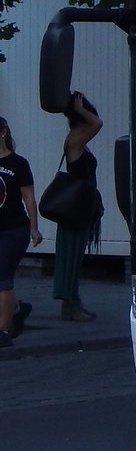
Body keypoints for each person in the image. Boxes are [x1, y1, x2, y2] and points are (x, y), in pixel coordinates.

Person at [55, 91, 102, 321]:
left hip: (77, 207)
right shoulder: (76, 140)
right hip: (76, 209)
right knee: (72, 255)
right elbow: (98, 123)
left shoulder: (75, 138)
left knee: (72, 255)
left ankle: (72, 302)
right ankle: (71, 304)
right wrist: (80, 108)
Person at [0, 116, 42, 347]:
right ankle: (16, 310)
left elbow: (29, 198)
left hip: (13, 230)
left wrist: (34, 228)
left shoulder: (18, 164)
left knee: (3, 278)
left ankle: (3, 331)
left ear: (3, 133)